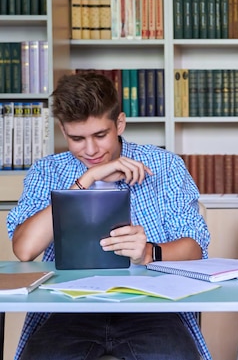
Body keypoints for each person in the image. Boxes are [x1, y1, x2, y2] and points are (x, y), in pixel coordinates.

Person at [7, 72, 211, 360]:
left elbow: (196, 249)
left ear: (120, 124)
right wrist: (86, 179)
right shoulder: (47, 171)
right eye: (77, 138)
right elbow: (24, 249)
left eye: (100, 135)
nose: (90, 150)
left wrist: (148, 252)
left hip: (151, 308)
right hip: (68, 311)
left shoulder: (164, 166)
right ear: (63, 131)